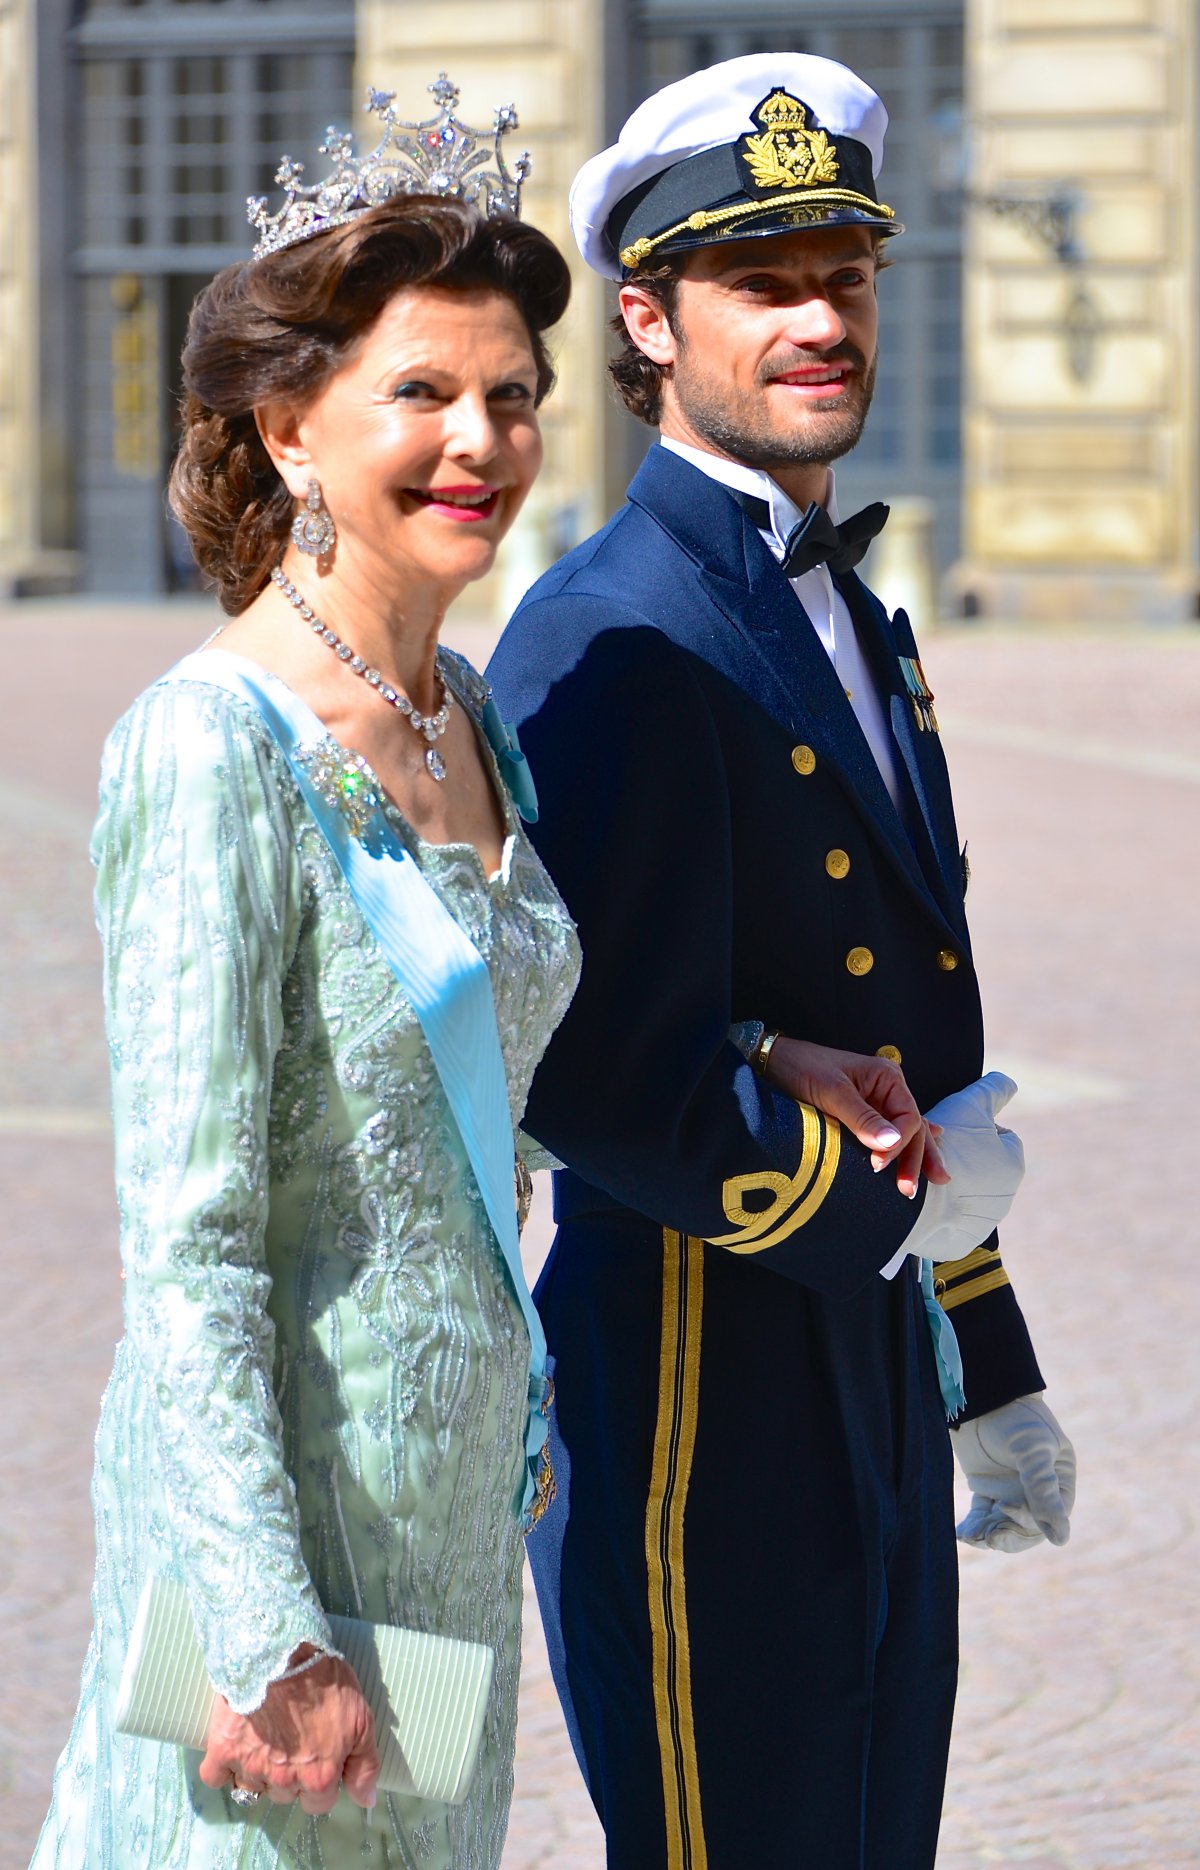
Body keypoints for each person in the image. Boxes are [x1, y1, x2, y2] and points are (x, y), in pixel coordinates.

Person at [487, 54, 1077, 1870]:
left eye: (847, 275)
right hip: (695, 1407)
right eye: (765, 283)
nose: (821, 318)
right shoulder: (613, 632)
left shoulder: (841, 606)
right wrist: (883, 1218)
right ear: (650, 321)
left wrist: (981, 1348)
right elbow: (591, 1073)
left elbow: (916, 1022)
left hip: (873, 1361)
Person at [31, 77, 581, 1870]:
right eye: (419, 393)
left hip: (446, 1552)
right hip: (280, 1580)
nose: (477, 442)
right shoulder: (213, 745)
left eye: (510, 397)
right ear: (286, 428)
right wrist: (268, 1636)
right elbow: (185, 1244)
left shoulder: (468, 706)